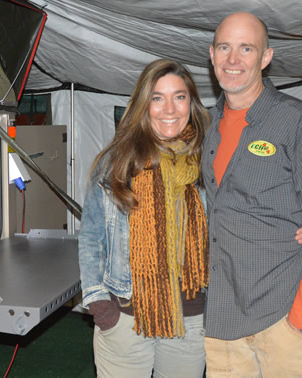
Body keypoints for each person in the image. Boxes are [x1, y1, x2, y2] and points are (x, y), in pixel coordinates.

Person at [201, 11, 302, 377]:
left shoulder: (301, 123)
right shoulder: (207, 126)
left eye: (246, 48)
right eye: (225, 47)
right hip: (223, 323)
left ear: (266, 57)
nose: (233, 60)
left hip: (283, 318)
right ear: (212, 54)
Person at [78, 58, 211, 377]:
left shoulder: (209, 162)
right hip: (124, 318)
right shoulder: (115, 162)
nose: (169, 109)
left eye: (179, 97)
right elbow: (90, 238)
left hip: (189, 320)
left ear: (191, 104)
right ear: (143, 104)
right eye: (157, 97)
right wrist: (99, 305)